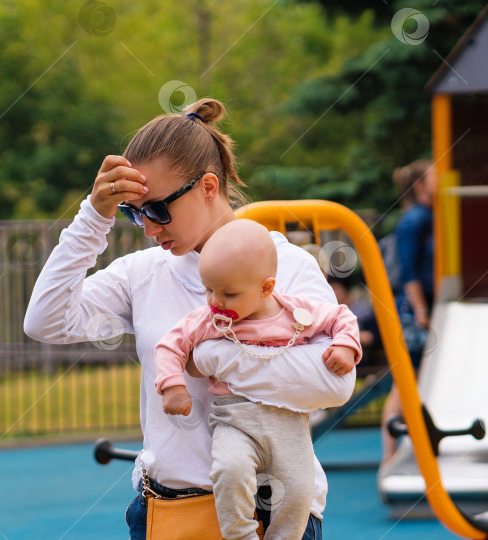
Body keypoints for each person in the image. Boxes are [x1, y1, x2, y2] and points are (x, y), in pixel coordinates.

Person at [24, 97, 355, 540]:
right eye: (133, 211)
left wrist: (218, 359)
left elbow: (334, 384)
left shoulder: (285, 265)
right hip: (167, 511)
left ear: (208, 187)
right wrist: (93, 217)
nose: (147, 227)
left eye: (158, 209)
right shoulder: (143, 273)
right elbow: (45, 321)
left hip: (268, 512)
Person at [155, 219, 362, 539]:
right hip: (235, 419)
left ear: (266, 288)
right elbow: (172, 343)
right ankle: (241, 535)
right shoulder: (212, 318)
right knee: (229, 471)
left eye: (228, 293)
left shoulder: (295, 313)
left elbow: (340, 317)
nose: (215, 302)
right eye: (209, 290)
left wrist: (346, 346)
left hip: (287, 422)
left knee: (297, 489)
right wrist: (172, 385)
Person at [380, 159, 437, 463]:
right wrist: (420, 309)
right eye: (434, 178)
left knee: (413, 379)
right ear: (420, 186)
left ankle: (404, 451)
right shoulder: (414, 220)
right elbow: (408, 270)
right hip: (411, 308)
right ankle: (389, 456)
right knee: (406, 380)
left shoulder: (427, 216)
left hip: (419, 305)